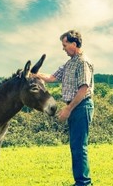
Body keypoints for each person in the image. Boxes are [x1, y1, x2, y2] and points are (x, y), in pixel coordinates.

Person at [34, 30, 95, 186]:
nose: (63, 48)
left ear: (74, 44)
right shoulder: (69, 63)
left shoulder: (82, 62)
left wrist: (68, 109)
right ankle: (80, 181)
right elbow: (52, 77)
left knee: (79, 146)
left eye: (65, 45)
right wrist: (34, 74)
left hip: (81, 106)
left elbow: (83, 89)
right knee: (75, 145)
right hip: (74, 106)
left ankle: (83, 183)